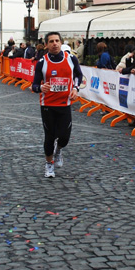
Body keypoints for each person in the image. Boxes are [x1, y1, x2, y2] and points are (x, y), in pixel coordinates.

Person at [31, 32, 83, 178]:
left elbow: (79, 75)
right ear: (46, 45)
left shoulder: (71, 59)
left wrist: (75, 88)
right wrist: (41, 88)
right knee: (50, 136)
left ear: (61, 43)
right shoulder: (42, 62)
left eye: (57, 41)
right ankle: (49, 165)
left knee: (64, 137)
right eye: (51, 41)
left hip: (65, 103)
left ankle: (59, 150)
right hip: (47, 104)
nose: (55, 43)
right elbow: (34, 85)